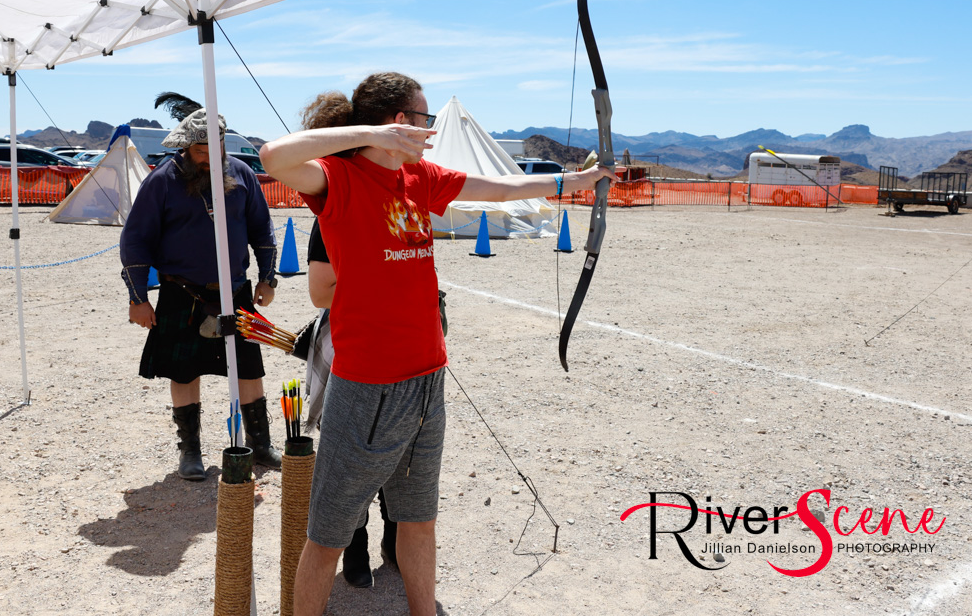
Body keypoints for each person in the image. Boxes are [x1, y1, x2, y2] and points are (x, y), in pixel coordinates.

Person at [260, 72, 616, 616]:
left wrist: (574, 182)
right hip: (368, 386)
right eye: (424, 119)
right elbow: (272, 156)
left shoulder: (418, 176)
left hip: (427, 378)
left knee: (418, 520)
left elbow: (499, 188)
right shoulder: (338, 177)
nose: (430, 129)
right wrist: (366, 135)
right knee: (329, 533)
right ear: (399, 122)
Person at [120, 96, 283, 482]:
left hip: (237, 290)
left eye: (216, 148)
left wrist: (267, 277)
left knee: (247, 366)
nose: (210, 158)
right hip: (182, 293)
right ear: (185, 148)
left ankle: (260, 445)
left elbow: (262, 229)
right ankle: (190, 450)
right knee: (184, 370)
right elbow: (136, 241)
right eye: (200, 150)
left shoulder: (241, 173)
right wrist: (138, 298)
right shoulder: (162, 181)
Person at [305, 219, 398, 588]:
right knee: (352, 452)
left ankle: (394, 538)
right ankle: (355, 545)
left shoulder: (403, 199)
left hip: (403, 335)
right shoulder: (334, 209)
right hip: (352, 338)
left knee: (399, 447)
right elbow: (322, 292)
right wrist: (386, 279)